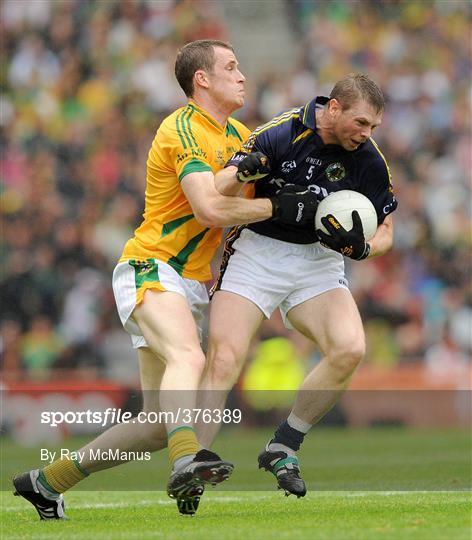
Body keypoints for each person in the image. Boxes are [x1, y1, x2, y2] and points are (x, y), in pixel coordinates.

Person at [12, 39, 318, 519]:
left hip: (191, 284)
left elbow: (263, 207)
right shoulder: (182, 127)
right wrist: (278, 204)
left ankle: (47, 482)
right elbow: (209, 207)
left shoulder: (241, 135)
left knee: (157, 424)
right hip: (151, 266)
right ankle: (186, 462)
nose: (242, 76)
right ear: (203, 79)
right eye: (231, 67)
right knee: (188, 356)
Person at [199, 73, 398, 497]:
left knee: (349, 349)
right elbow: (217, 188)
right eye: (361, 123)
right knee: (225, 358)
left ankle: (284, 444)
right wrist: (242, 172)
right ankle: (194, 462)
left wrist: (362, 250)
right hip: (257, 251)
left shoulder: (368, 159)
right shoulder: (280, 133)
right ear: (335, 107)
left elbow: (386, 231)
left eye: (373, 128)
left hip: (318, 260)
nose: (366, 135)